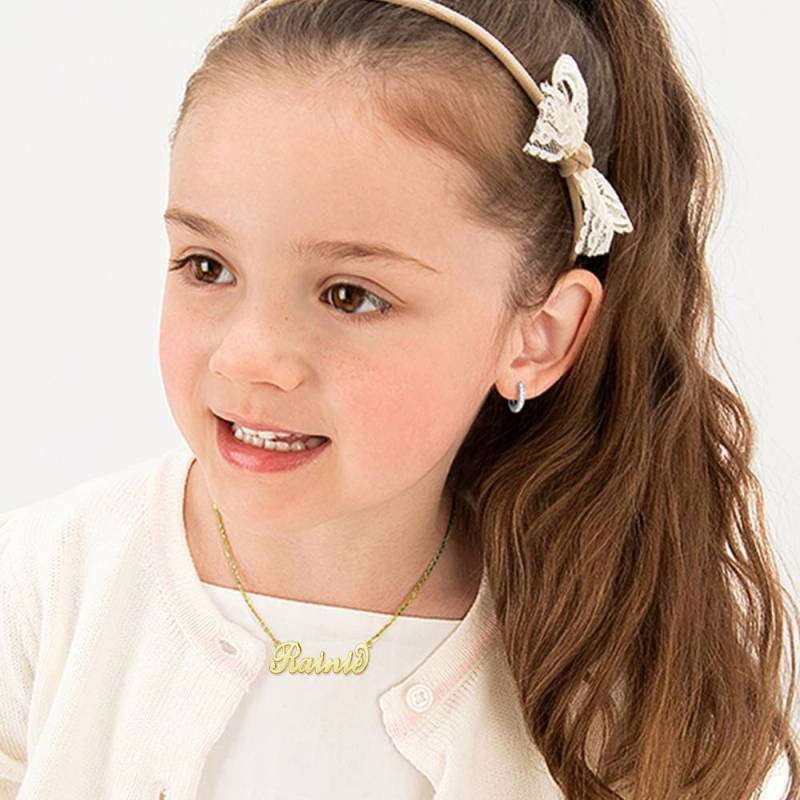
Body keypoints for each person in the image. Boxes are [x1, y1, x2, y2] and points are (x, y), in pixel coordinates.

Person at [1, 0, 797, 798]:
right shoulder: (42, 590)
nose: (249, 358)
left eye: (350, 295)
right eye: (207, 267)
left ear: (538, 335)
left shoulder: (619, 684)